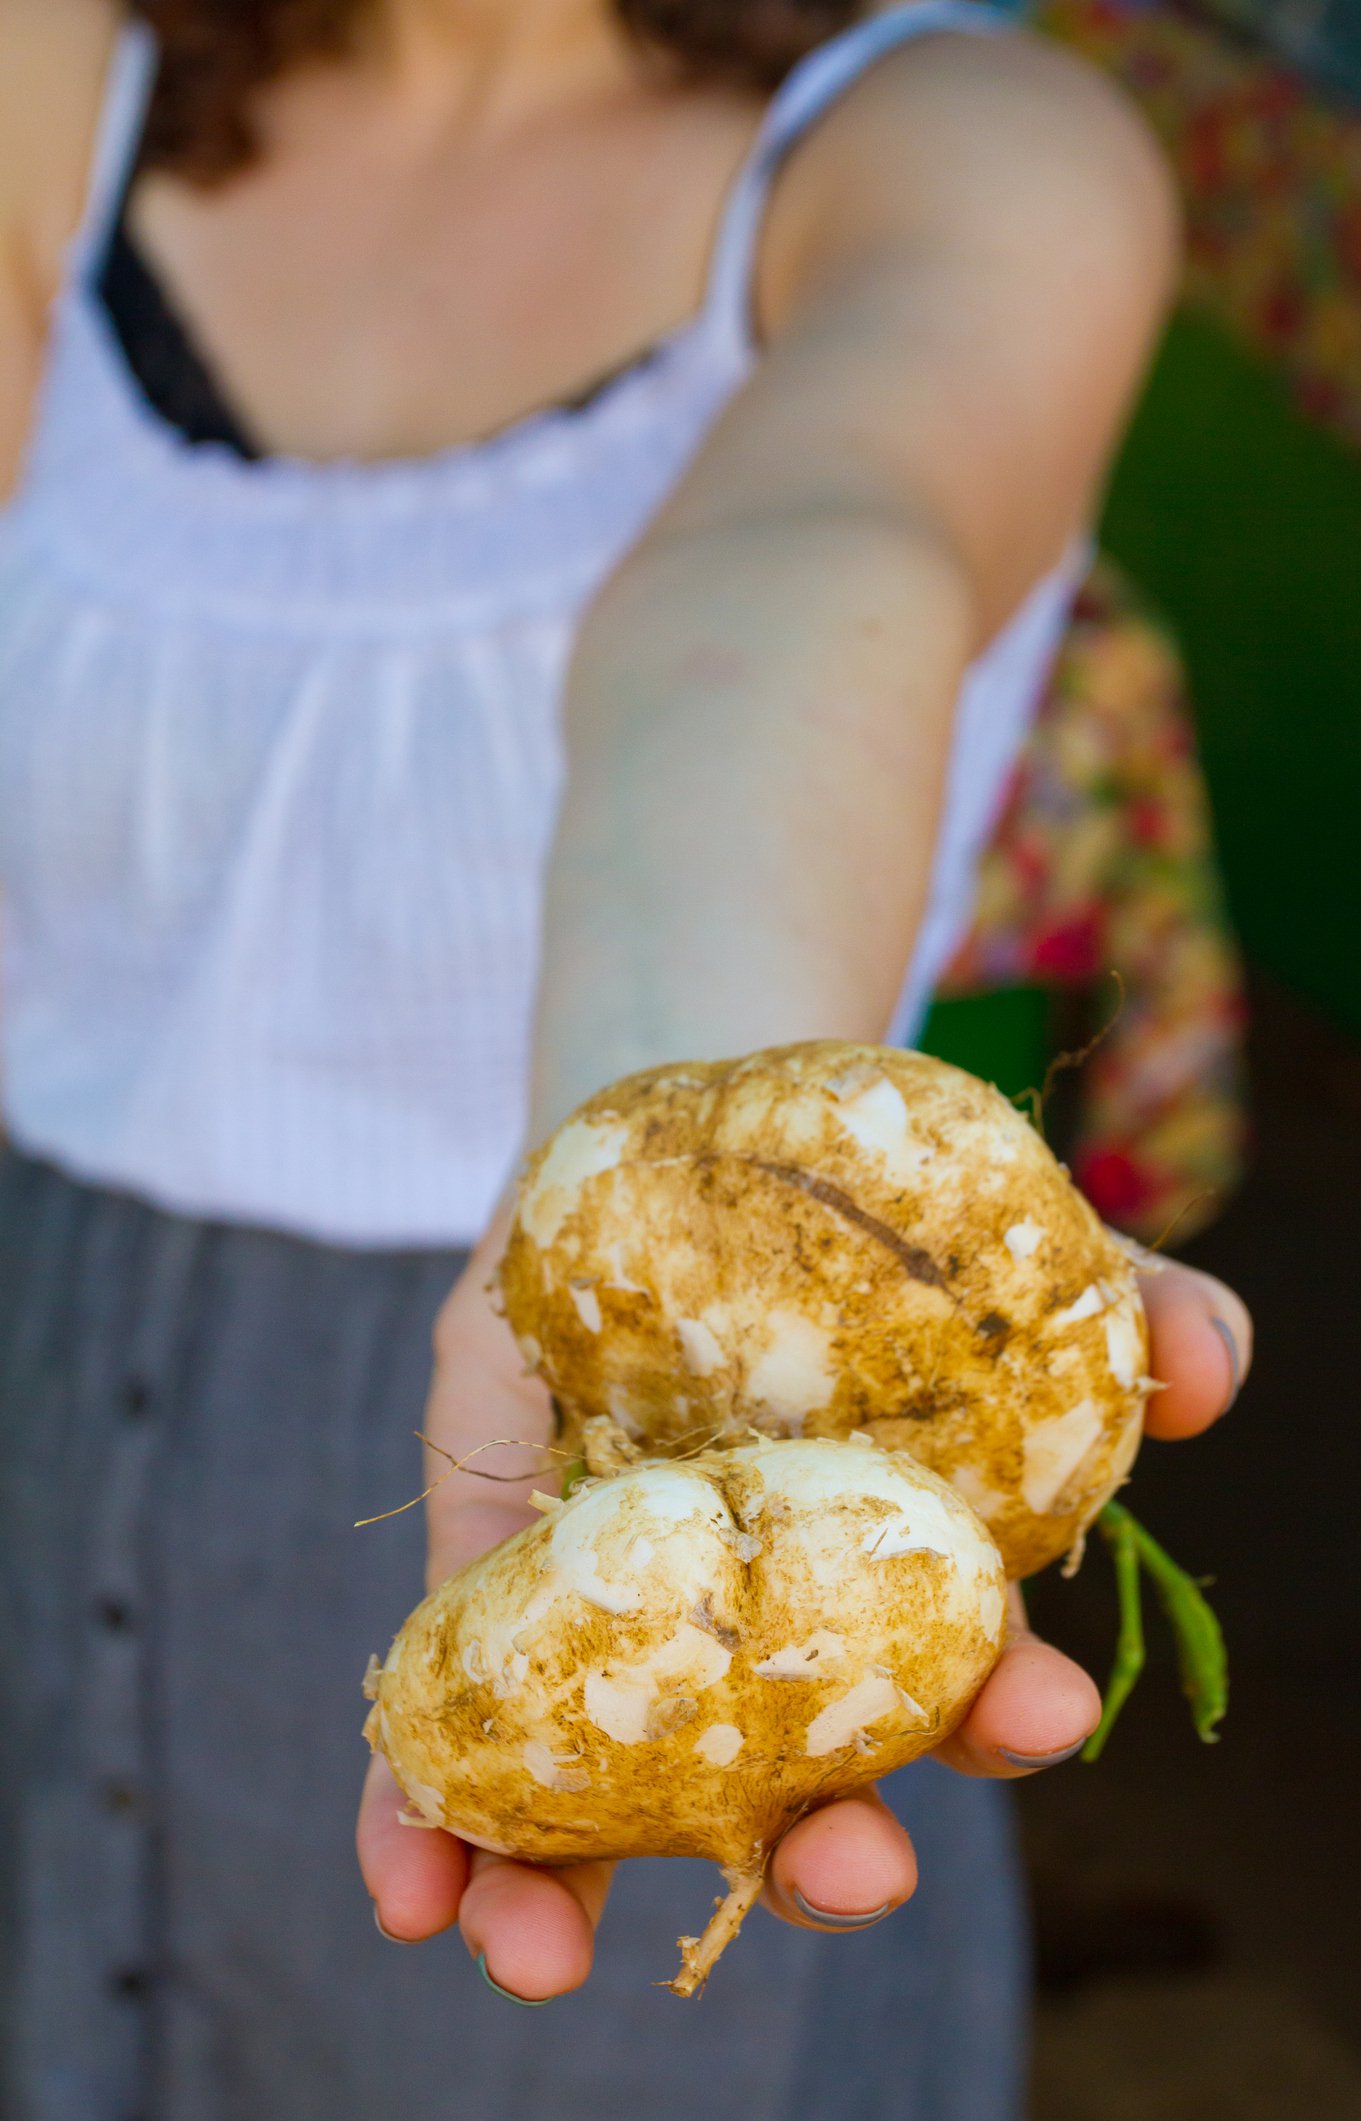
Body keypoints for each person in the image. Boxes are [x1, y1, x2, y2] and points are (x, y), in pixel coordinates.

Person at [0, 0, 1253, 2114]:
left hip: (638, 1495)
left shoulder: (957, 147)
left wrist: (679, 1188)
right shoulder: (57, 77)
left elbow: (778, 579)